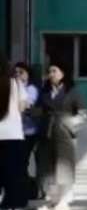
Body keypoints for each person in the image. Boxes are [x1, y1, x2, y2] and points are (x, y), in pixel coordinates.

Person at [35, 64, 86, 210]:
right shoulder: (44, 91)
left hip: (64, 134)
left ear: (63, 73)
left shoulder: (72, 91)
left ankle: (64, 200)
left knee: (64, 165)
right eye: (49, 71)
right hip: (47, 132)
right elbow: (40, 110)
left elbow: (82, 114)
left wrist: (69, 124)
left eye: (54, 71)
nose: (51, 74)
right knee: (47, 166)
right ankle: (52, 200)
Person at [0, 53, 28, 210]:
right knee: (12, 171)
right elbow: (22, 107)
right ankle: (10, 207)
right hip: (13, 134)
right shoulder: (16, 84)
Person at [13, 62, 40, 200]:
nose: (18, 75)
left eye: (21, 72)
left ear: (28, 74)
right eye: (16, 72)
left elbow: (25, 105)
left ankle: (29, 189)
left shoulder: (31, 89)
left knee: (22, 162)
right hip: (16, 132)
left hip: (29, 131)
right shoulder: (14, 88)